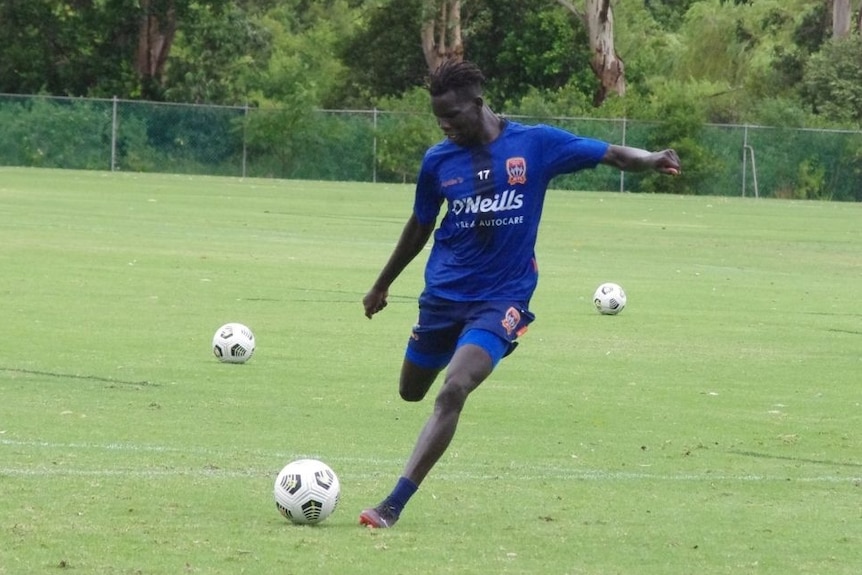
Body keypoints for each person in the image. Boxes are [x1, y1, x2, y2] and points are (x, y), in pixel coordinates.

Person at [358, 59, 680, 529]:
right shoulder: (437, 162)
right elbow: (420, 226)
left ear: (478, 104)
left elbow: (610, 153)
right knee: (411, 391)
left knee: (454, 389)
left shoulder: (536, 145)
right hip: (443, 295)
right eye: (438, 119)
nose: (445, 126)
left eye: (453, 116)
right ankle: (452, 340)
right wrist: (382, 283)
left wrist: (652, 158)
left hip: (503, 297)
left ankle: (393, 504)